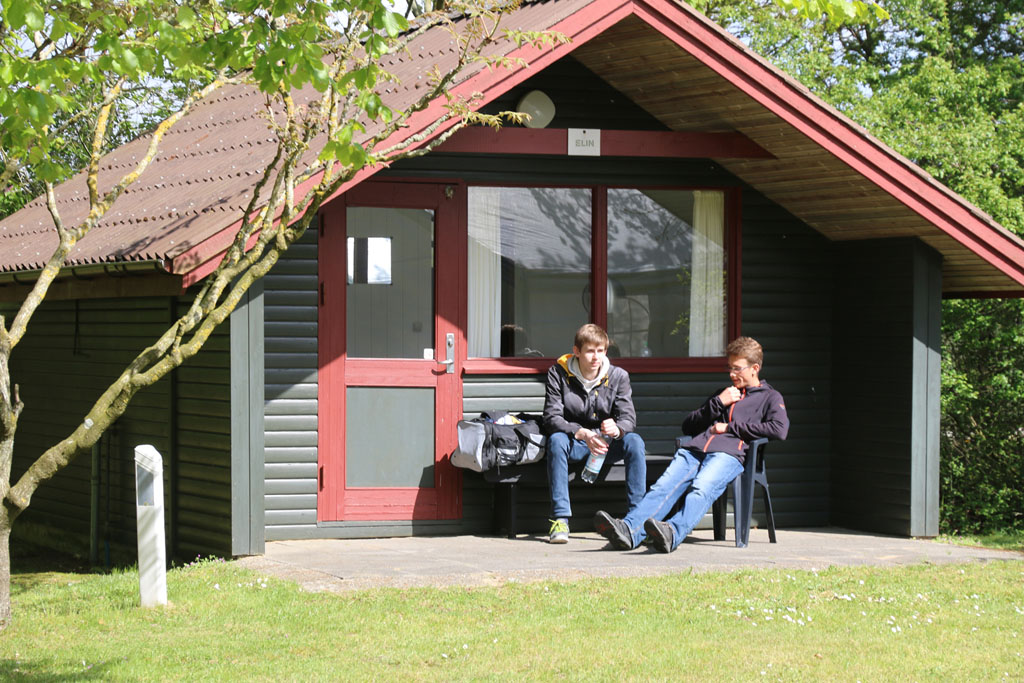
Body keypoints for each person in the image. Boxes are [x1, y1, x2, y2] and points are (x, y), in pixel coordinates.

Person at [593, 336, 789, 552]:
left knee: (701, 488)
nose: (732, 374)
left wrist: (730, 428)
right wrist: (718, 403)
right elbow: (689, 425)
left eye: (737, 369)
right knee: (662, 487)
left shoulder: (770, 397)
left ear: (755, 368)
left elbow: (779, 429)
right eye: (730, 368)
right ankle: (629, 532)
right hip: (694, 450)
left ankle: (672, 532)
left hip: (729, 455)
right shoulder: (723, 394)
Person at [543, 323, 646, 544]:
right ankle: (560, 519)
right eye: (590, 351)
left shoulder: (618, 376)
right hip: (576, 442)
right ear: (576, 351)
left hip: (607, 444)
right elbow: (552, 418)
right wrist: (581, 433)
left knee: (634, 441)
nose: (595, 357)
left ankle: (637, 519)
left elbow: (628, 419)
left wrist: (617, 429)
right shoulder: (557, 373)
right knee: (556, 440)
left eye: (600, 351)